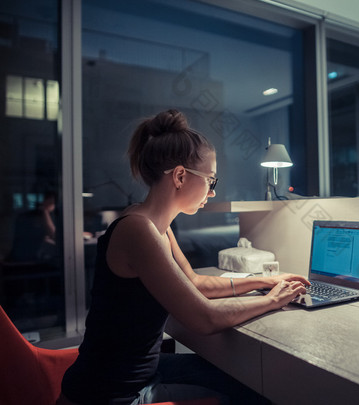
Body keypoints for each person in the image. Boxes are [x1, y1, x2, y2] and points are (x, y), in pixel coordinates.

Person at [58, 109, 309, 405]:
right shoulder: (139, 230)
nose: (212, 192)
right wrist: (272, 300)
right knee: (256, 393)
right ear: (179, 176)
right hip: (112, 394)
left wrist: (265, 280)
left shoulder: (156, 226)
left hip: (137, 375)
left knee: (244, 377)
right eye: (211, 181)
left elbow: (194, 282)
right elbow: (203, 318)